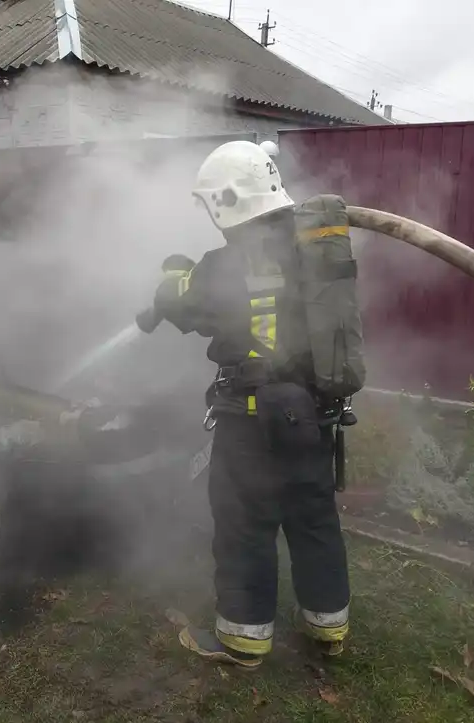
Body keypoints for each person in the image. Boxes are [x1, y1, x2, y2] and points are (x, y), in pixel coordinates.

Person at [147, 140, 351, 667]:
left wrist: (173, 272)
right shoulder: (316, 249)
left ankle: (243, 640)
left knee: (244, 524)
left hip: (254, 421)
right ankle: (328, 628)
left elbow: (180, 301)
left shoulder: (224, 264)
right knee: (314, 521)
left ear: (226, 201)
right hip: (314, 414)